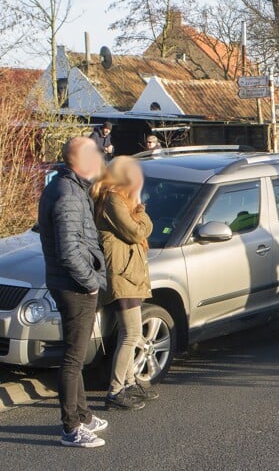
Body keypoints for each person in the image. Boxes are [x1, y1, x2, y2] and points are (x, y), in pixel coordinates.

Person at [38, 137, 108, 448]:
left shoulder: (68, 186)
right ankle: (71, 427)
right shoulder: (67, 192)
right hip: (75, 286)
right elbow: (68, 251)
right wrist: (91, 281)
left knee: (75, 354)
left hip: (70, 283)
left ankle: (83, 414)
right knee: (73, 358)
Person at [91, 156, 160, 411]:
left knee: (130, 332)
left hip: (129, 273)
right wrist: (141, 211)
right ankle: (116, 390)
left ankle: (129, 383)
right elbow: (137, 232)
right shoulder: (112, 199)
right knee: (131, 334)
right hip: (122, 274)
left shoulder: (118, 199)